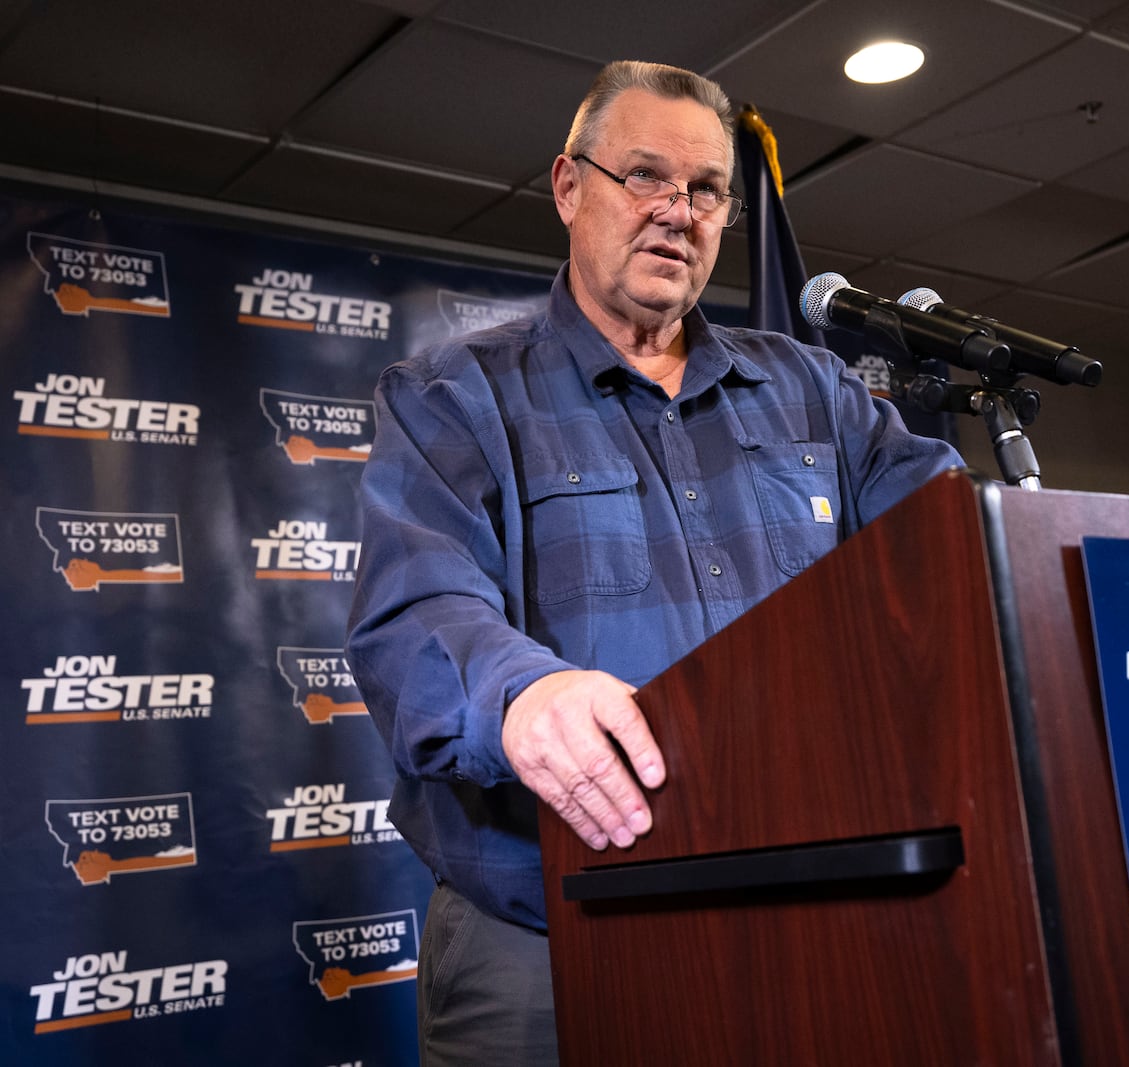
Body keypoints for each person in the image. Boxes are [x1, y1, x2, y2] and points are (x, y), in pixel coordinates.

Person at [346, 59, 961, 1065]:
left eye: (707, 189)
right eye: (643, 175)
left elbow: (945, 541)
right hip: (543, 939)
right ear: (567, 186)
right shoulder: (453, 396)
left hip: (802, 914)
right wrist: (522, 695)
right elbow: (415, 609)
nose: (678, 210)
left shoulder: (813, 388)